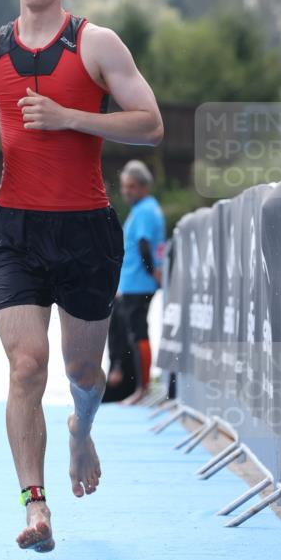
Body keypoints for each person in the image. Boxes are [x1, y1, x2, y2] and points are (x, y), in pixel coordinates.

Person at [0, 0, 163, 552]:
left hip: (85, 230)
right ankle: (35, 506)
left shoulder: (95, 44)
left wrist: (72, 116)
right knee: (26, 367)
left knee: (82, 369)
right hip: (15, 227)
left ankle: (81, 429)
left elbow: (150, 123)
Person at [116, 160, 166, 406]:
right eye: (124, 186)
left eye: (132, 186)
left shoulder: (145, 210)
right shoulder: (145, 208)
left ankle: (143, 388)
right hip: (134, 282)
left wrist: (152, 272)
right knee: (136, 333)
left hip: (140, 283)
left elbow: (144, 245)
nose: (126, 191)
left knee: (138, 333)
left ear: (144, 186)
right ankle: (141, 387)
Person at [103, 294, 142, 402]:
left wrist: (117, 366)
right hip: (122, 364)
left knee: (102, 400)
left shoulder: (121, 305)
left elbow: (121, 338)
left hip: (123, 369)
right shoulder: (118, 303)